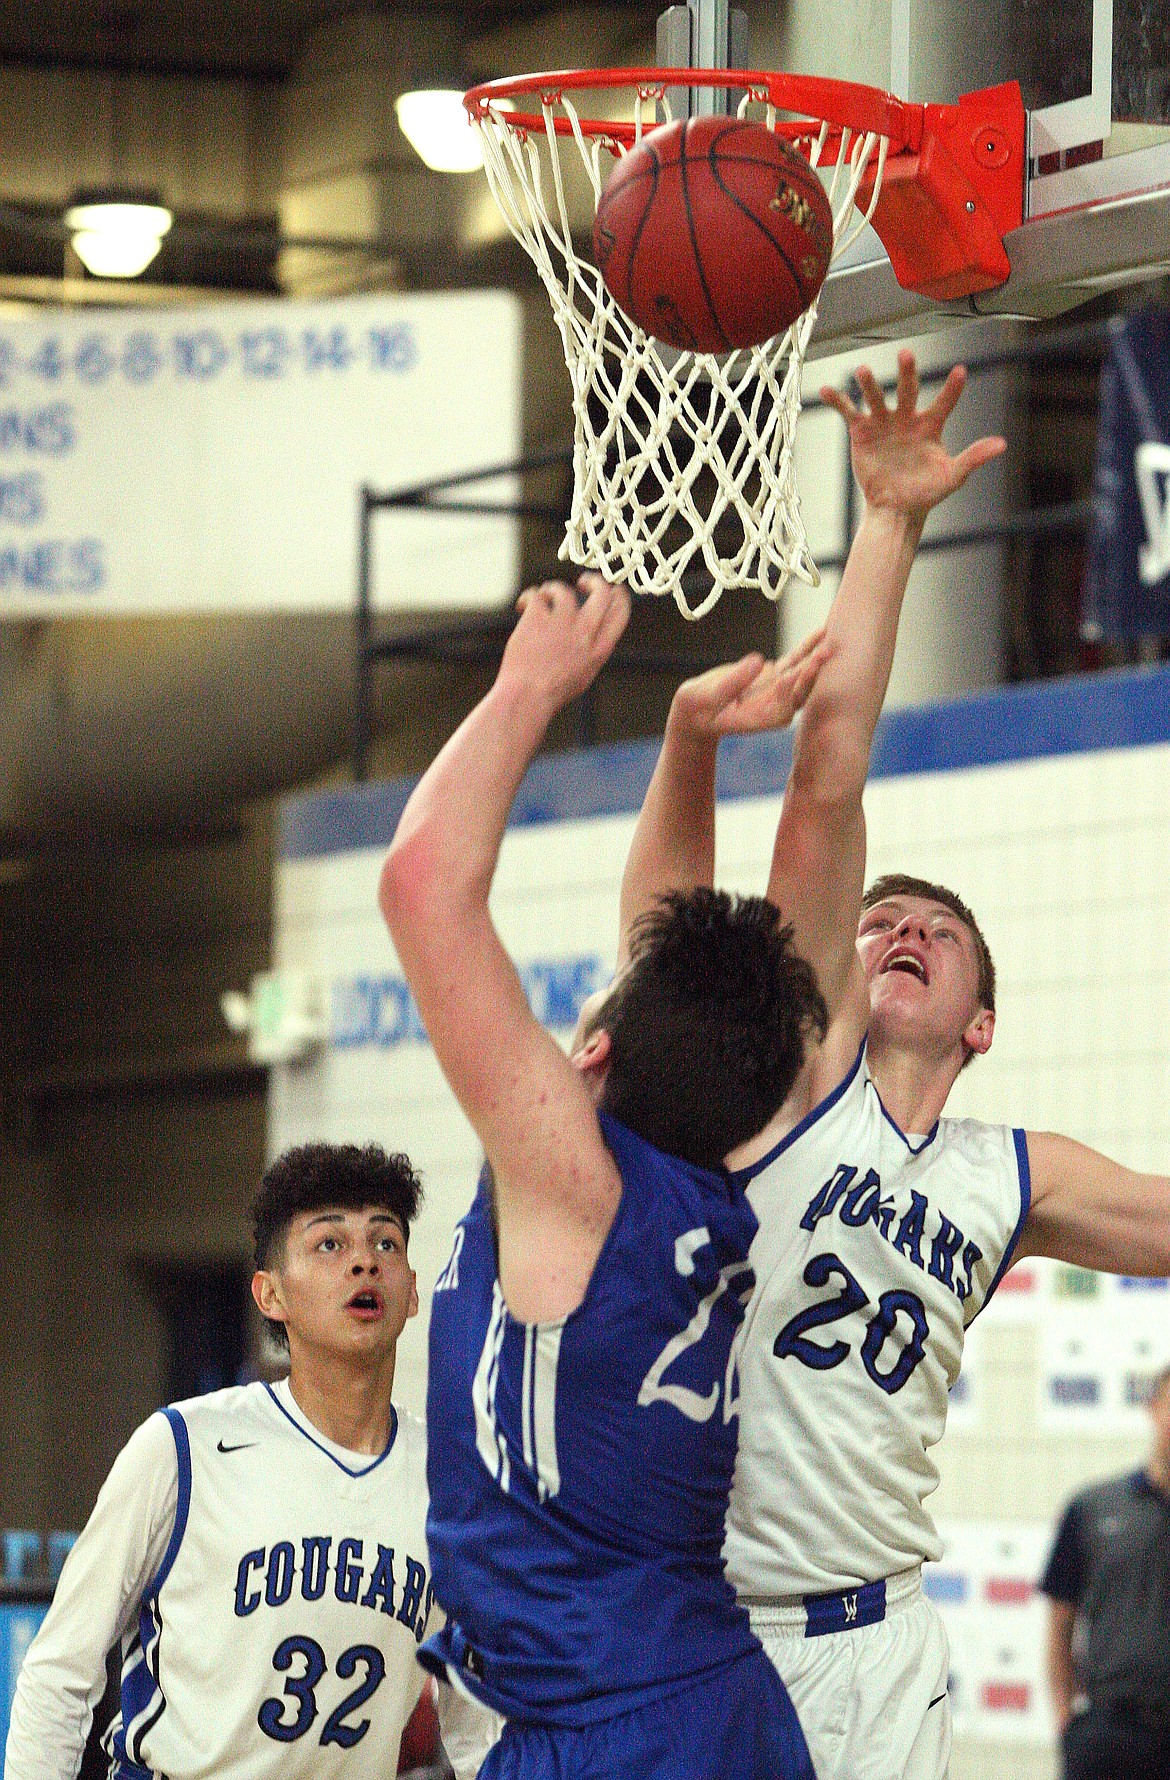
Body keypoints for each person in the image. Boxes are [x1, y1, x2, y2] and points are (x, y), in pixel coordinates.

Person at [615, 347, 1170, 1780]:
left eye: (937, 929)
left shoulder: (1008, 1177)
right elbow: (826, 775)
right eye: (880, 922)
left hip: (882, 1648)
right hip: (710, 1627)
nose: (899, 926)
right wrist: (890, 524)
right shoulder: (787, 1091)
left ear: (980, 1021)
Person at [378, 571, 834, 1780]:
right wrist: (684, 739)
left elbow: (422, 886)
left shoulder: (570, 1179)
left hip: (612, 1732)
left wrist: (526, 690)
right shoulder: (705, 1176)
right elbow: (656, 938)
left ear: (592, 1053)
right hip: (717, 1709)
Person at [5, 1141, 495, 1780]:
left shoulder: (450, 1476)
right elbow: (58, 1672)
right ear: (271, 1296)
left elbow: (476, 1716)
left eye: (386, 1244)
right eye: (329, 1245)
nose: (364, 1264)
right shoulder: (183, 1447)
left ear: (411, 1294)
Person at [1040, 1363, 1170, 1780]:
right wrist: (1067, 1722)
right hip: (1108, 1739)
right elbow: (1060, 1627)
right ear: (1153, 1408)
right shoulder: (1092, 1509)